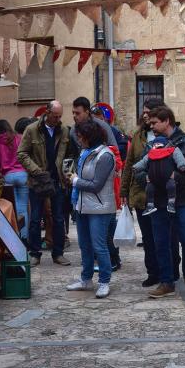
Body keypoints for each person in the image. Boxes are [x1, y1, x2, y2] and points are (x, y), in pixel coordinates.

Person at [145, 106, 185, 298]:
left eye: (155, 122)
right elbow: (140, 168)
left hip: (183, 201)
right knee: (161, 242)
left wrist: (177, 177)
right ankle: (166, 282)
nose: (151, 126)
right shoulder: (152, 145)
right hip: (159, 201)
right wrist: (146, 177)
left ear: (166, 121)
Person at [121, 97, 179, 288]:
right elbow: (130, 164)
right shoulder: (138, 136)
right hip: (142, 194)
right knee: (148, 236)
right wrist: (124, 191)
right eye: (144, 111)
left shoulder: (172, 136)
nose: (145, 115)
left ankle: (171, 271)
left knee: (168, 236)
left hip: (166, 195)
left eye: (149, 112)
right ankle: (153, 272)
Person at [17, 101, 72, 267]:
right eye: (55, 116)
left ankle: (58, 253)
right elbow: (22, 154)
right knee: (35, 218)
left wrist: (67, 171)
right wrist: (36, 171)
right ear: (47, 112)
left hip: (57, 181)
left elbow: (68, 153)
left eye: (60, 116)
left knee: (58, 218)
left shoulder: (63, 130)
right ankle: (34, 253)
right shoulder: (32, 130)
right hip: (38, 181)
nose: (57, 119)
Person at [66, 120, 116, 298]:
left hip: (100, 208)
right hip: (82, 206)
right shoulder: (85, 152)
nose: (79, 140)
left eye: (81, 137)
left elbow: (97, 185)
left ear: (89, 137)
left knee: (99, 246)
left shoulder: (105, 155)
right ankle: (86, 279)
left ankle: (104, 281)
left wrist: (75, 181)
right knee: (84, 245)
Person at [132, 135, 185, 215]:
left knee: (171, 186)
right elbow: (143, 162)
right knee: (150, 188)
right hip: (153, 179)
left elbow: (179, 158)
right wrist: (136, 167)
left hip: (168, 177)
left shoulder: (171, 150)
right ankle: (150, 205)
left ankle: (171, 203)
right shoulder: (151, 154)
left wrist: (182, 165)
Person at [0, 119, 29, 240]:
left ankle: (16, 238)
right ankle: (24, 237)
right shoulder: (18, 138)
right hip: (22, 174)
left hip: (8, 176)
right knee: (23, 207)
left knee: (12, 209)